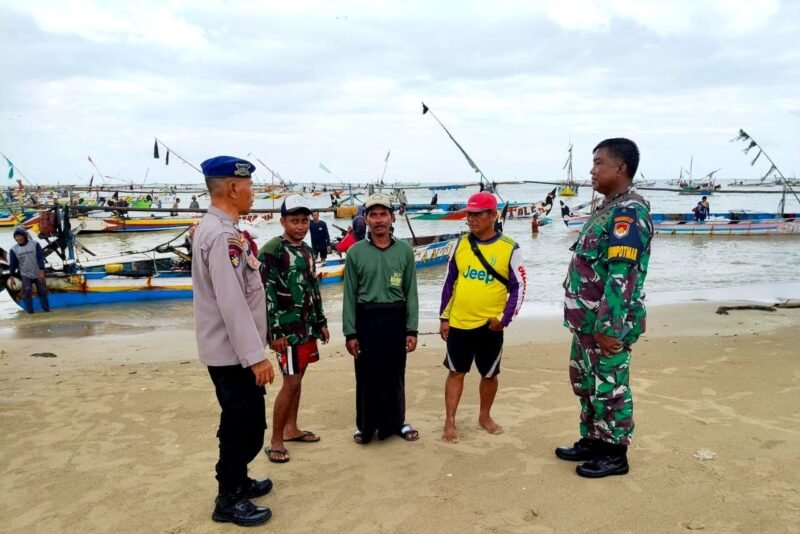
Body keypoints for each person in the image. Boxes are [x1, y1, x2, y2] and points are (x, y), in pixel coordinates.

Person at [557, 138, 653, 479]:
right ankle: (594, 439)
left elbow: (621, 275)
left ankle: (615, 453)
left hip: (605, 323)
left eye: (598, 163)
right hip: (586, 321)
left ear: (620, 168)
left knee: (610, 385)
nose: (592, 170)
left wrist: (610, 326)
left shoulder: (629, 212)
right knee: (585, 382)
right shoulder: (608, 208)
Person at [192, 156, 276, 526]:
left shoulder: (221, 229)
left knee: (244, 420)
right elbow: (232, 301)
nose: (253, 194)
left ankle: (238, 480)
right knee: (243, 425)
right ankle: (228, 498)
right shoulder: (221, 235)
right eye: (250, 187)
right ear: (232, 188)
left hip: (233, 351)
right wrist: (255, 356)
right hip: (233, 354)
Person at [438, 192, 526, 443]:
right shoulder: (460, 244)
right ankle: (450, 420)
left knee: (489, 374)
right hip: (460, 322)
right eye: (469, 214)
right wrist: (444, 317)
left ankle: (484, 416)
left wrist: (504, 319)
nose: (471, 219)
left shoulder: (510, 248)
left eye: (477, 214)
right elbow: (449, 282)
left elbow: (518, 287)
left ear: (493, 215)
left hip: (491, 326)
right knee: (456, 372)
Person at [343, 193, 420, 445]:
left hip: (395, 319)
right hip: (366, 320)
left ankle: (396, 422)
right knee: (366, 375)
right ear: (365, 219)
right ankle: (365, 426)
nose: (378, 220)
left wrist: (412, 329)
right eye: (373, 214)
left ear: (391, 217)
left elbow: (411, 293)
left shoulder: (405, 251)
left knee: (394, 374)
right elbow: (350, 295)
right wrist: (350, 332)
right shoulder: (355, 252)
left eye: (383, 214)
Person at [258, 195, 330, 464]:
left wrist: (320, 323)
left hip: (307, 327)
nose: (300, 226)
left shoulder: (308, 251)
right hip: (286, 331)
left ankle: (292, 428)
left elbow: (313, 287)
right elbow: (264, 294)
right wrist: (274, 333)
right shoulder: (271, 250)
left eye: (303, 221)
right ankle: (276, 440)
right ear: (282, 221)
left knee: (298, 379)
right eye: (293, 221)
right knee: (290, 383)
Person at [9, 226, 49, 313]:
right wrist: (12, 277)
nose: (18, 238)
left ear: (24, 236)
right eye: (16, 237)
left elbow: (40, 258)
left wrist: (42, 271)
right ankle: (30, 313)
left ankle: (47, 311)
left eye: (19, 236)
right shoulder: (13, 249)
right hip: (25, 275)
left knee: (42, 291)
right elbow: (13, 264)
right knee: (27, 291)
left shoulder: (35, 244)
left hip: (38, 273)